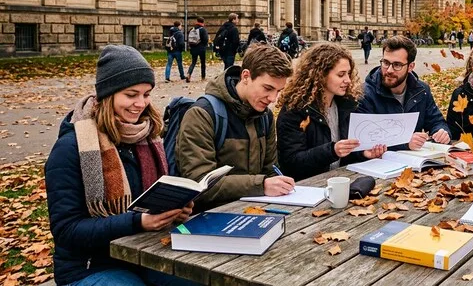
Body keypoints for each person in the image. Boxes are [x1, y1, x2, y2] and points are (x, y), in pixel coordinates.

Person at [45, 45, 196, 286]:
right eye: (131, 94)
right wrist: (137, 222)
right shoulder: (71, 148)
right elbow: (67, 230)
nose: (141, 104)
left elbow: (149, 200)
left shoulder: (148, 136)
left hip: (146, 253)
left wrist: (175, 210)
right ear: (108, 94)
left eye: (146, 94)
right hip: (89, 266)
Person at [176, 44, 296, 212]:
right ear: (246, 76)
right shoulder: (203, 114)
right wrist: (261, 185)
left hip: (255, 210)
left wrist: (279, 183)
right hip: (208, 218)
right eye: (268, 88)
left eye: (279, 91)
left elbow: (270, 169)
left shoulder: (265, 117)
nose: (273, 98)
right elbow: (200, 182)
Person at [276, 43, 387, 180]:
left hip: (341, 180)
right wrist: (331, 151)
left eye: (348, 74)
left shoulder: (348, 104)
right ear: (320, 75)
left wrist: (363, 153)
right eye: (341, 75)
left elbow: (347, 151)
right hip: (308, 186)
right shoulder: (295, 110)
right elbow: (291, 162)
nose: (347, 80)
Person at [358, 35, 451, 150]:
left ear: (410, 67)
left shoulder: (421, 90)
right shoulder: (365, 94)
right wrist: (405, 143)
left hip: (414, 162)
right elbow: (362, 141)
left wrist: (442, 132)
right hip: (377, 164)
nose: (389, 70)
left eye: (397, 65)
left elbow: (436, 121)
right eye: (386, 62)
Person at [187, 17, 209, 83]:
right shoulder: (203, 30)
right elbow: (205, 40)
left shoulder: (192, 29)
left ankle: (189, 74)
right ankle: (203, 77)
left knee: (193, 62)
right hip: (201, 49)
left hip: (193, 48)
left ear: (197, 21)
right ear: (203, 22)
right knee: (203, 63)